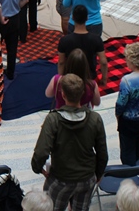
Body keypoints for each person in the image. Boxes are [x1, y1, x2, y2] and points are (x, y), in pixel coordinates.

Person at [31, 73, 108, 208]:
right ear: (83, 93)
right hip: (87, 179)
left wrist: (38, 169)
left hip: (60, 179)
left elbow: (41, 152)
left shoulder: (53, 119)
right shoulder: (95, 119)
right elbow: (103, 153)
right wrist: (98, 174)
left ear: (63, 95)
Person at [57, 5, 108, 84]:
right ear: (87, 18)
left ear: (73, 18)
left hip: (70, 79)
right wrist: (104, 79)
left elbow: (61, 62)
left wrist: (60, 79)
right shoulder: (96, 39)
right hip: (89, 78)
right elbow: (103, 62)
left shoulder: (64, 40)